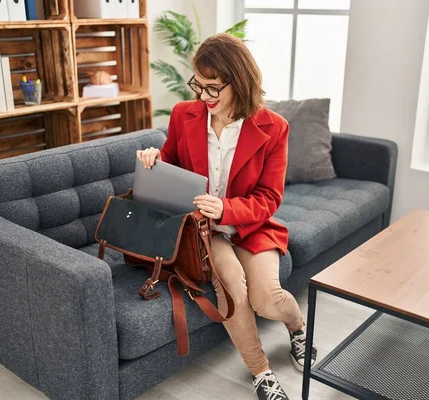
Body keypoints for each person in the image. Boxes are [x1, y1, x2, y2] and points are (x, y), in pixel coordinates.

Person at [136, 33, 317, 400]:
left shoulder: (273, 128)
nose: (203, 97)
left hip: (251, 227)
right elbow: (172, 160)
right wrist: (156, 159)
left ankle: (298, 327)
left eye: (212, 87)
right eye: (198, 86)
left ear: (239, 80)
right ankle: (261, 373)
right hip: (204, 233)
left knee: (266, 298)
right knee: (231, 287)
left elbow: (269, 198)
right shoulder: (184, 114)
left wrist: (228, 208)